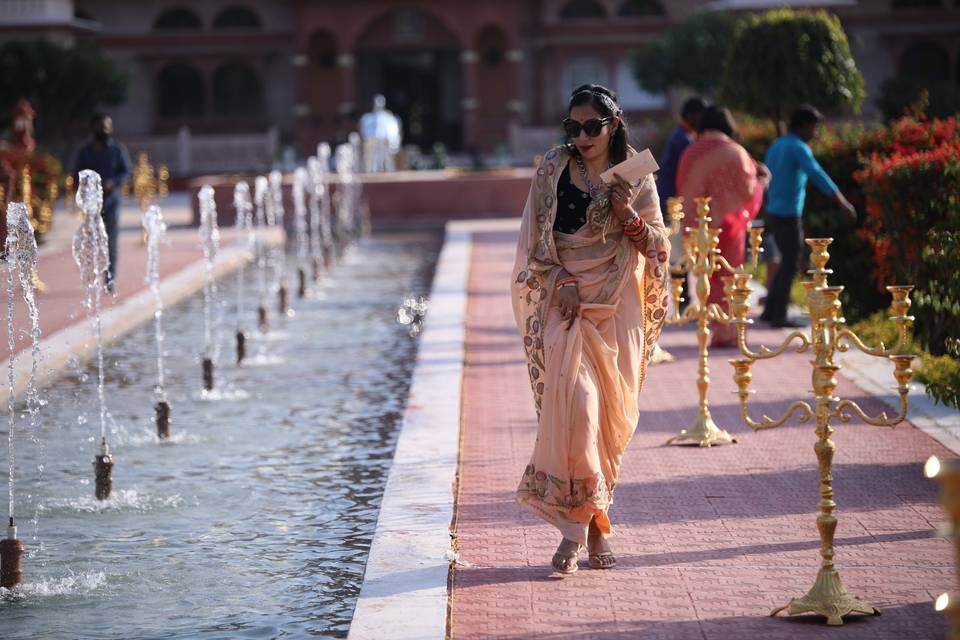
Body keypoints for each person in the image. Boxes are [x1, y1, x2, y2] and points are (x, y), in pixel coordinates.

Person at [511, 84, 670, 575]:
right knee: (578, 407)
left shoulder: (636, 176)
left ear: (614, 124)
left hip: (616, 305)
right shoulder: (553, 168)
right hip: (567, 306)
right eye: (572, 127)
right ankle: (584, 531)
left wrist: (628, 217)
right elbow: (535, 241)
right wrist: (560, 279)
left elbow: (660, 250)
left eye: (591, 127)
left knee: (607, 424)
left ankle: (592, 526)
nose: (581, 137)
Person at [676, 105, 769, 347]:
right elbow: (749, 188)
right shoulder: (736, 152)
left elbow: (684, 189)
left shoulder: (691, 152)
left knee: (708, 278)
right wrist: (762, 181)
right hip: (730, 226)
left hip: (699, 227)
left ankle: (715, 326)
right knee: (729, 276)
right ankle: (729, 330)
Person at [760, 105, 856, 328]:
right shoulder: (798, 147)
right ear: (803, 126)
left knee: (785, 262)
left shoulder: (777, 144)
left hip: (773, 212)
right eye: (814, 128)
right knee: (790, 263)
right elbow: (817, 174)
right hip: (788, 214)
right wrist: (843, 202)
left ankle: (769, 311)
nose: (815, 134)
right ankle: (778, 315)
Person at [74, 113, 132, 291]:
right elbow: (76, 175)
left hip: (111, 202)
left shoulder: (117, 150)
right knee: (92, 242)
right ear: (94, 128)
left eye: (107, 126)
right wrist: (86, 187)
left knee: (110, 242)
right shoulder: (85, 152)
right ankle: (91, 278)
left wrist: (112, 182)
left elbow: (126, 172)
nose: (104, 130)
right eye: (101, 126)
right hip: (91, 204)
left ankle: (109, 279)